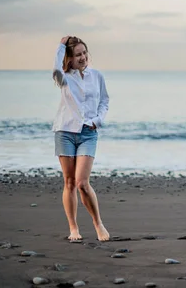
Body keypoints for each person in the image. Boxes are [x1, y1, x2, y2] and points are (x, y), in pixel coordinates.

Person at [52, 36, 110, 242]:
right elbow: (55, 71)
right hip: (65, 132)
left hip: (88, 133)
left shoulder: (97, 76)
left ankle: (98, 223)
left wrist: (97, 121)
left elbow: (105, 101)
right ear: (69, 58)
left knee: (82, 183)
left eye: (84, 53)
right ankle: (73, 228)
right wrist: (60, 46)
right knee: (69, 182)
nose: (83, 57)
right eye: (78, 55)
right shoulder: (64, 77)